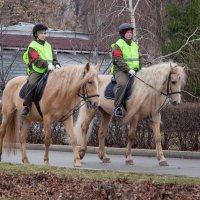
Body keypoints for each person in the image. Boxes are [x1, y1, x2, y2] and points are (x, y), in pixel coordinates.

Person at [21, 23, 61, 116]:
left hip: (50, 69)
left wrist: (57, 64)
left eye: (44, 33)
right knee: (32, 83)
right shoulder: (32, 46)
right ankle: (27, 106)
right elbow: (35, 59)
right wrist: (47, 64)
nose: (43, 35)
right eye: (41, 33)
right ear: (36, 34)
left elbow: (54, 57)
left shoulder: (48, 45)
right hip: (37, 70)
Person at [111, 23, 141, 117]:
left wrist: (142, 68)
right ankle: (117, 107)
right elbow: (118, 60)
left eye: (131, 32)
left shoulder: (135, 45)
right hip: (120, 70)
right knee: (123, 84)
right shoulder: (118, 45)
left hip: (135, 71)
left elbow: (140, 58)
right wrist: (128, 70)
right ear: (123, 33)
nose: (130, 34)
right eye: (127, 32)